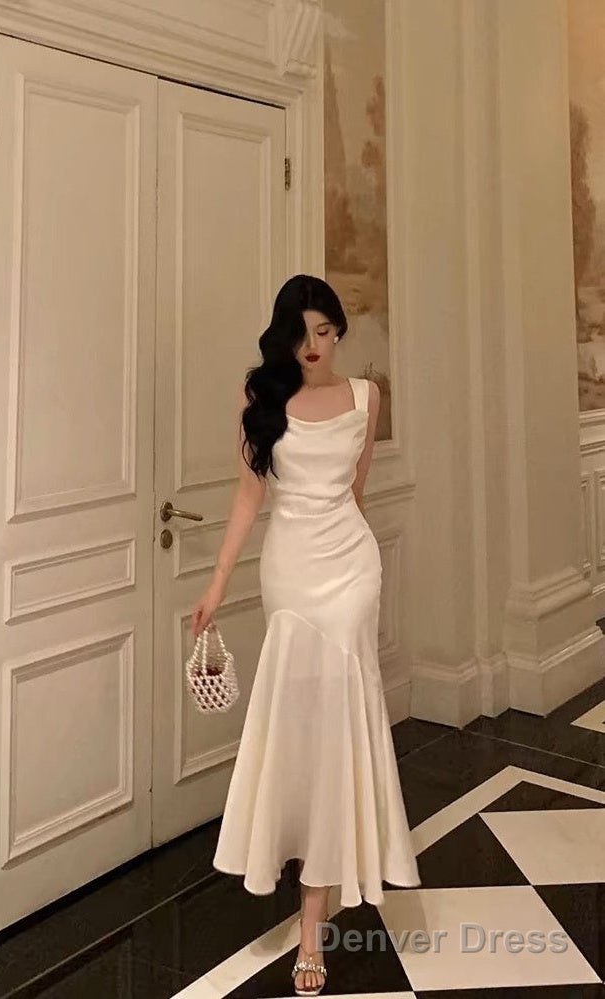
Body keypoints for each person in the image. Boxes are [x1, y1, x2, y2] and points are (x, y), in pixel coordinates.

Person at [191, 274, 420, 996]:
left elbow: (356, 492)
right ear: (284, 336)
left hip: (350, 571)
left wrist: (357, 561)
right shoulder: (260, 397)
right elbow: (248, 495)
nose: (314, 345)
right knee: (298, 727)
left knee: (337, 729)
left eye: (325, 331)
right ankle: (301, 865)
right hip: (289, 575)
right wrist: (216, 584)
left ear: (339, 331)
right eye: (301, 333)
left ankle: (314, 925)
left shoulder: (367, 397)